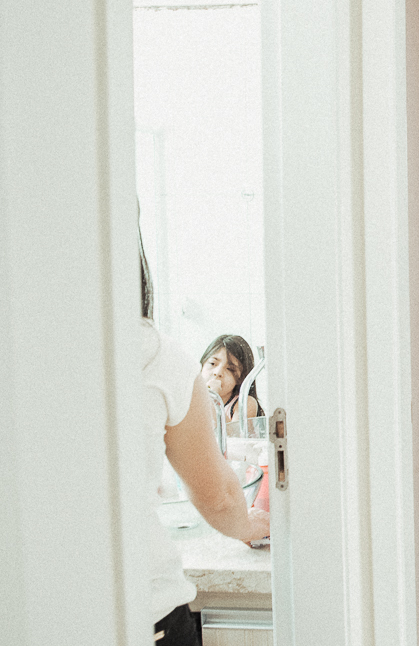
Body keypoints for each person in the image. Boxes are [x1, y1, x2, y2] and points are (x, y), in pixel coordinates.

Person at [141, 239, 270, 645]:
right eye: (211, 363)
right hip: (149, 605)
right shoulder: (159, 360)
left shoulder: (244, 407)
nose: (216, 373)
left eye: (228, 368)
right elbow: (216, 496)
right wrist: (245, 524)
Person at [200, 334, 260, 423]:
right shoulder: (192, 398)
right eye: (212, 363)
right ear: (201, 365)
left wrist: (213, 400)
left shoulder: (245, 403)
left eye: (230, 369)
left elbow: (234, 435)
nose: (218, 372)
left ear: (241, 378)